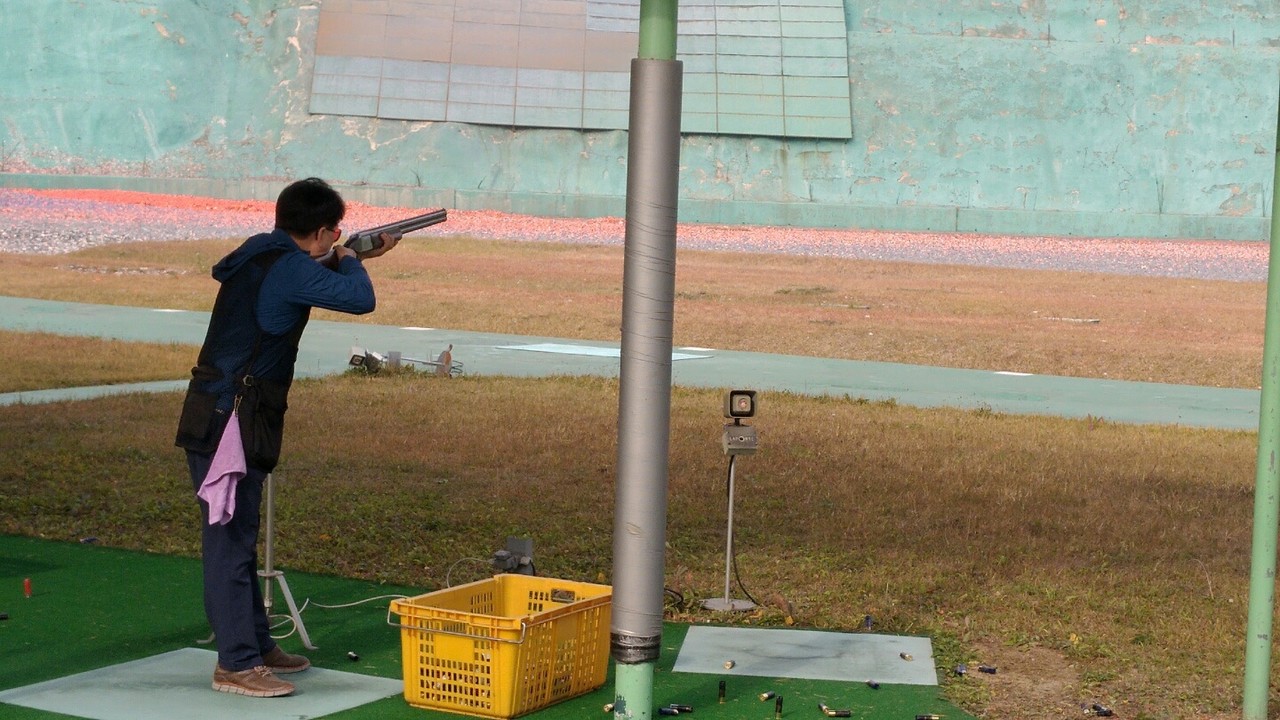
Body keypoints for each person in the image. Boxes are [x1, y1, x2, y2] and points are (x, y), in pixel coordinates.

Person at [174, 178, 400, 697]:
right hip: (231, 416)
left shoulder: (261, 252)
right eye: (333, 233)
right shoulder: (293, 266)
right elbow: (360, 299)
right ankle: (235, 663)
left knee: (240, 535)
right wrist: (354, 258)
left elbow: (301, 275)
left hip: (222, 409)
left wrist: (340, 254)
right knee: (228, 540)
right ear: (321, 231)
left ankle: (253, 643)